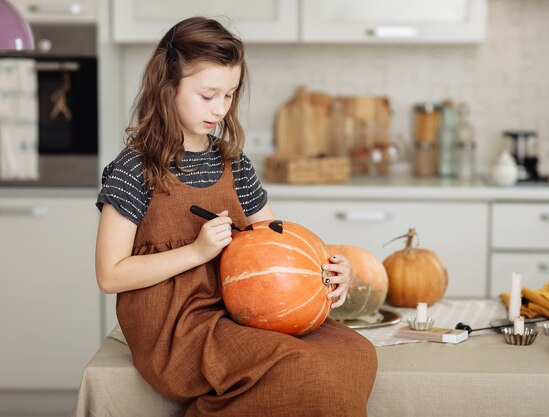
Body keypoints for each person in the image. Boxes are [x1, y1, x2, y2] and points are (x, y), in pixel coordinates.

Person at [95, 16, 377, 417]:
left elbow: (277, 240)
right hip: (176, 331)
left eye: (229, 95)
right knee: (303, 366)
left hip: (237, 313)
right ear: (167, 86)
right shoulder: (135, 167)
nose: (220, 109)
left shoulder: (231, 161)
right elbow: (110, 275)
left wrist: (327, 270)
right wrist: (197, 251)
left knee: (354, 351)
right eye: (208, 95)